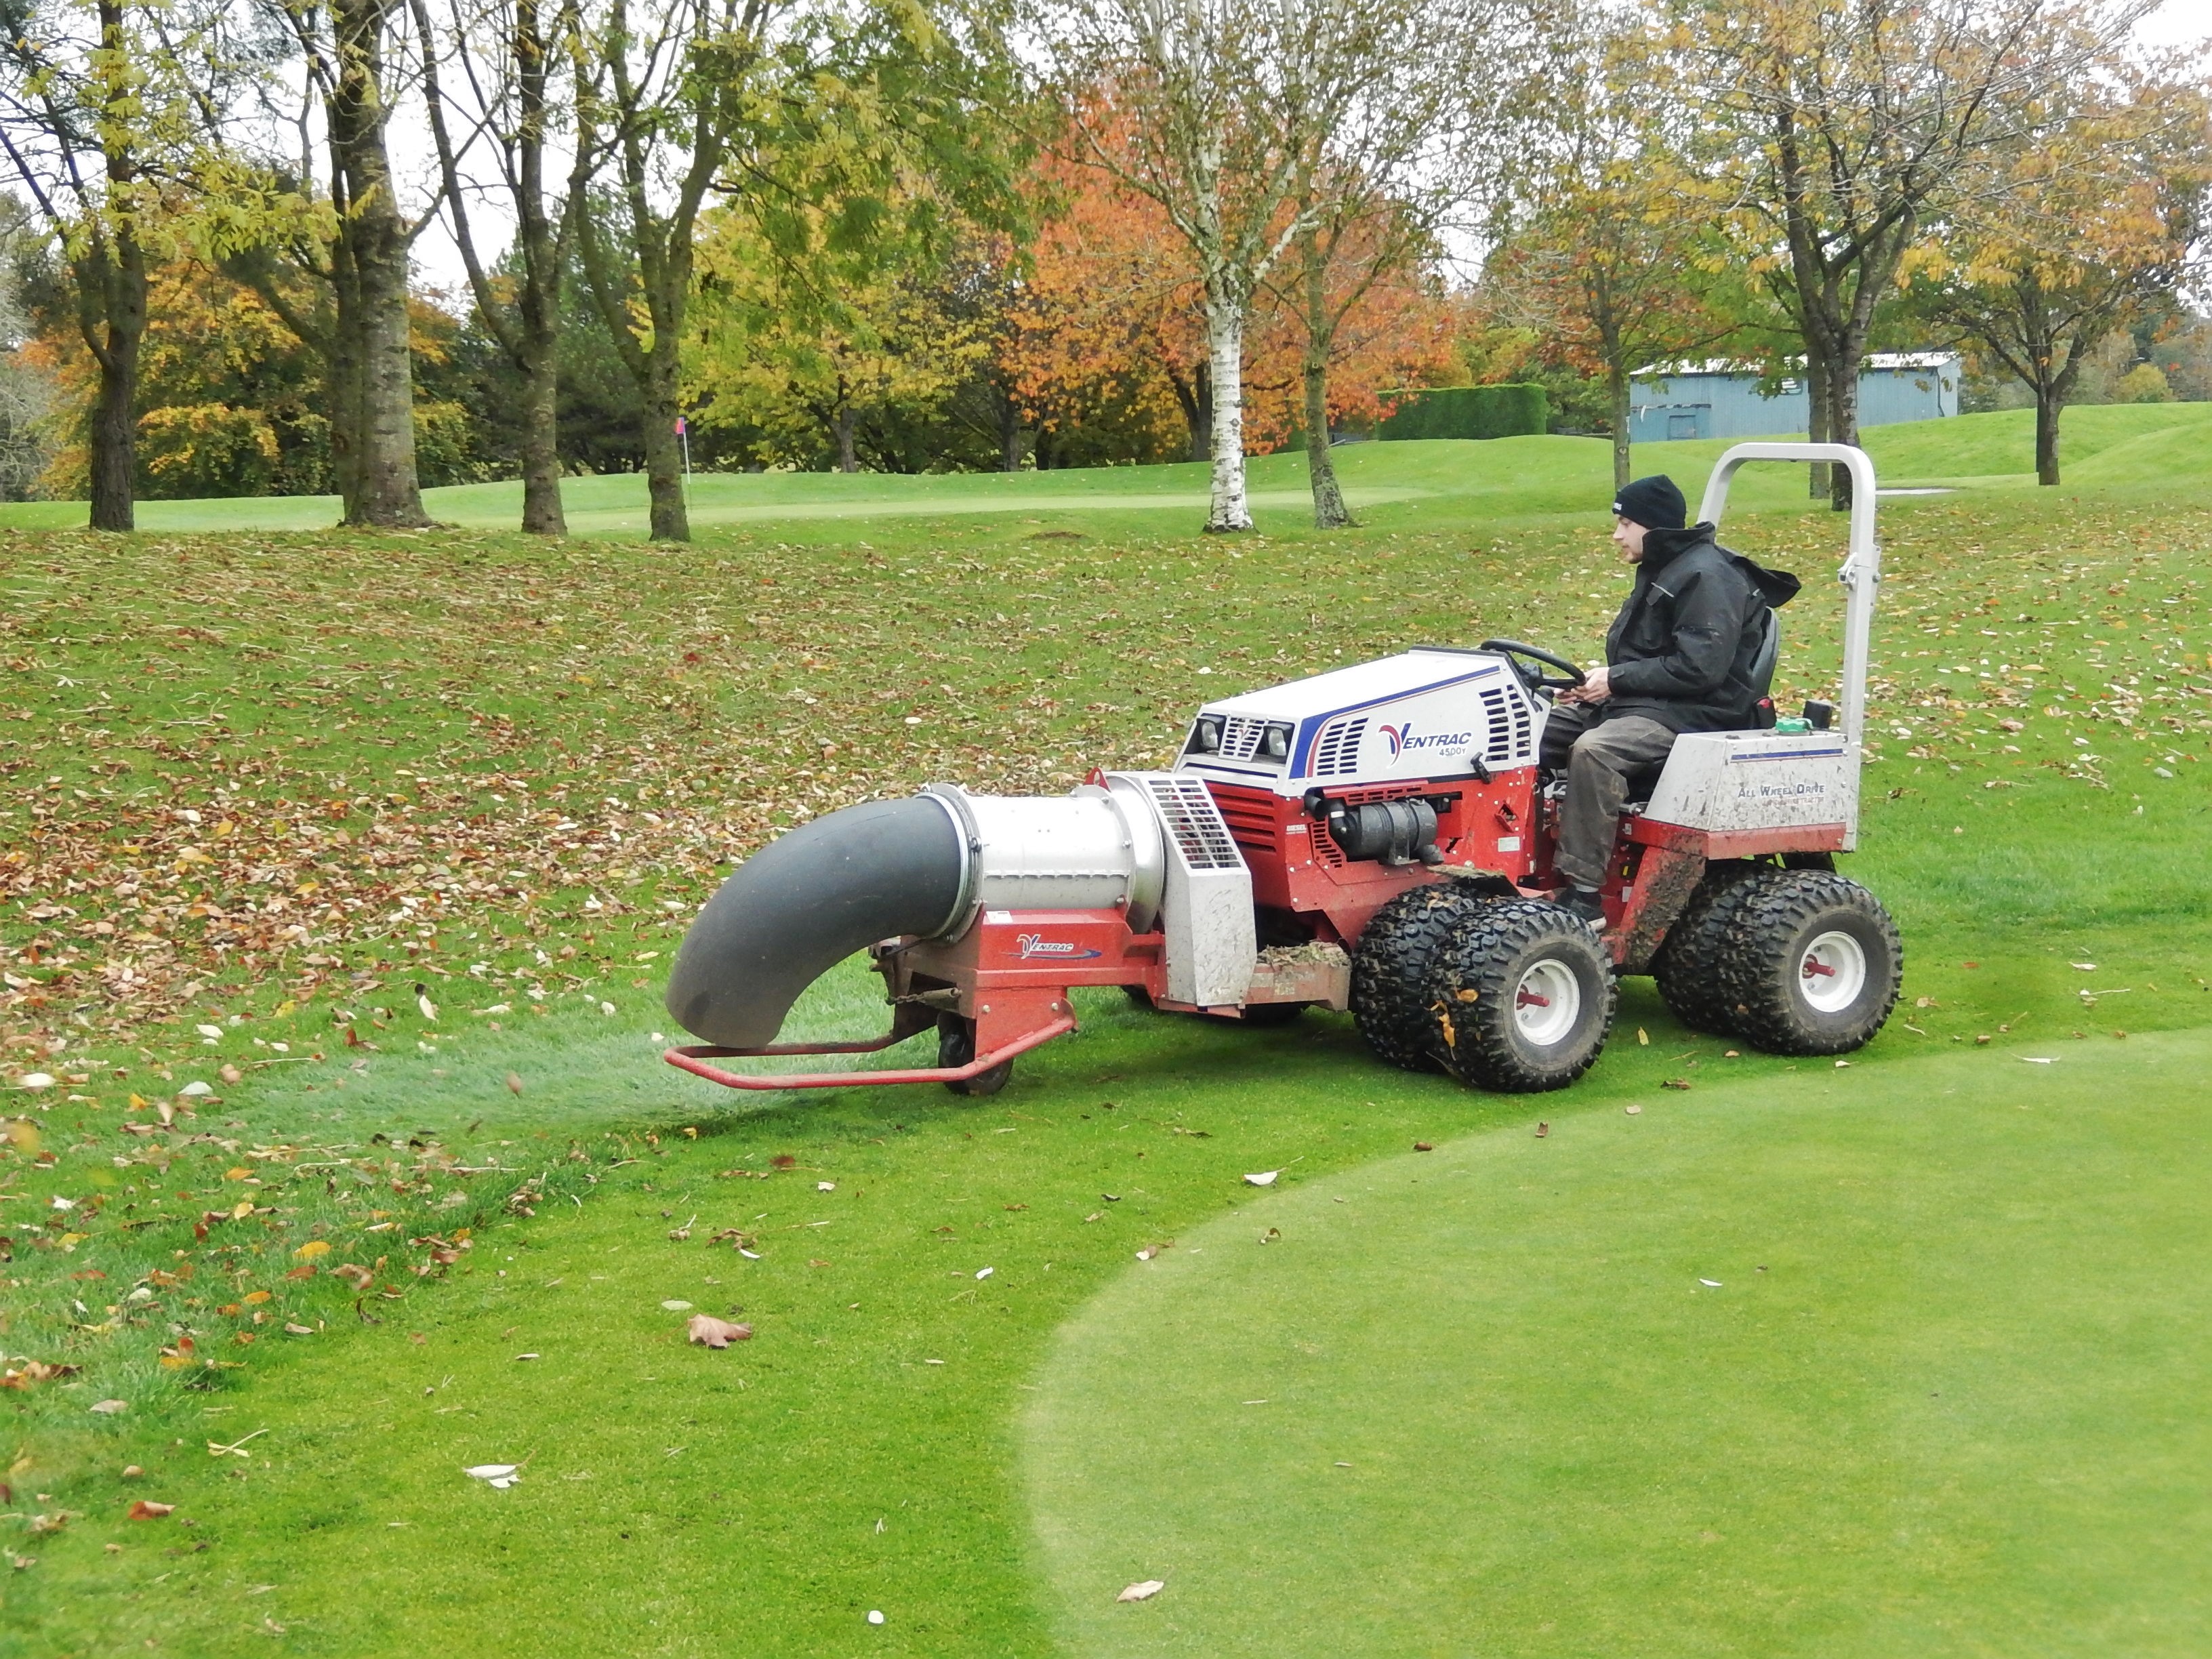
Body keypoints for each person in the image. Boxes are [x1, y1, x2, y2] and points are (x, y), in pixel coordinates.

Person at [1542, 474, 1802, 926]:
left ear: (1654, 526)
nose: (1616, 535)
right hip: (1643, 703)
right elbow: (1651, 656)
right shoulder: (1665, 567)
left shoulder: (1708, 577)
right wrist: (1592, 683)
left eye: (1625, 524)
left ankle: (1583, 896)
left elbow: (1700, 669)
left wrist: (1616, 680)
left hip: (1696, 714)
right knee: (1524, 734)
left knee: (1596, 752)